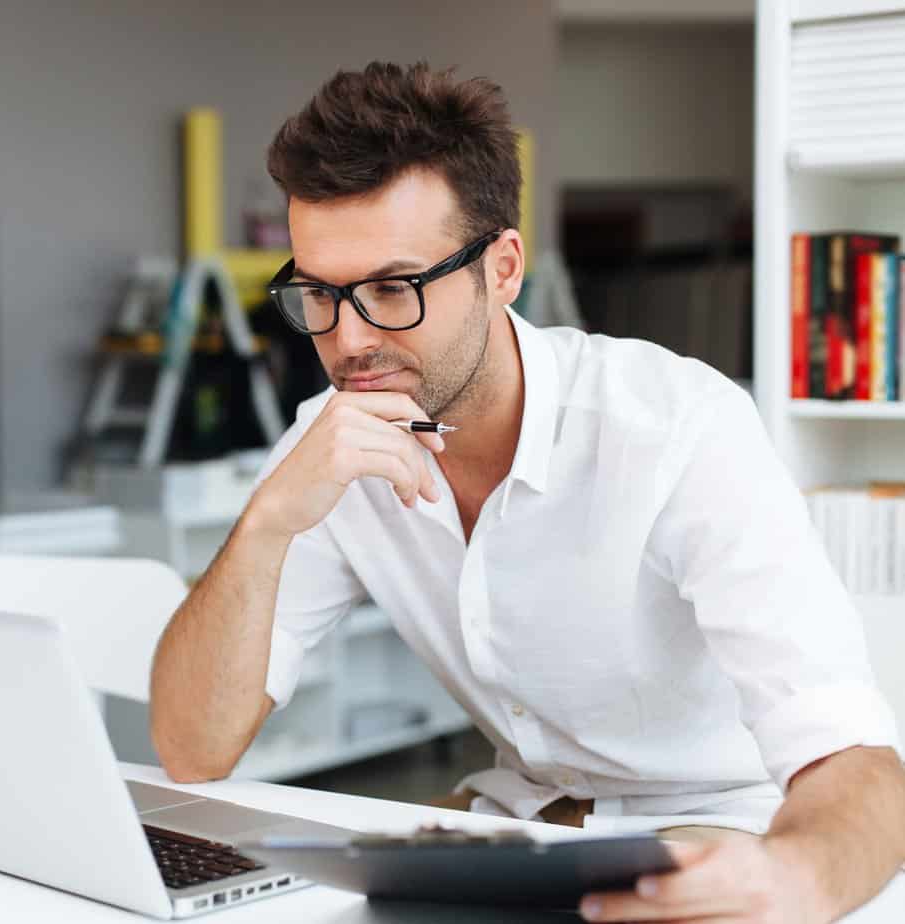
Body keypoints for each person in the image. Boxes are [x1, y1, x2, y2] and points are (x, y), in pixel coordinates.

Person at [148, 62, 905, 923]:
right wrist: (267, 523)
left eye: (393, 288)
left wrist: (795, 882)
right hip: (512, 832)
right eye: (320, 294)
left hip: (717, 837)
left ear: (502, 268)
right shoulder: (332, 441)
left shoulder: (679, 429)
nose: (350, 340)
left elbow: (859, 762)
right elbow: (190, 749)